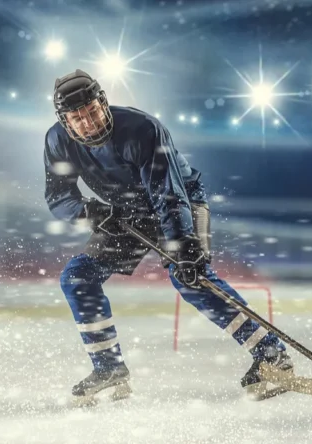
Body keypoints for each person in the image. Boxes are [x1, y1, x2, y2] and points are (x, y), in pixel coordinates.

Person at [44, 69, 294, 406]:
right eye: (78, 118)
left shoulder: (141, 129)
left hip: (181, 203)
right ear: (65, 122)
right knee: (77, 278)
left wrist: (185, 244)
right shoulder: (56, 141)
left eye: (92, 112)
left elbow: (168, 194)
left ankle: (272, 355)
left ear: (103, 102)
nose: (88, 123)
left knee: (191, 279)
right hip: (125, 215)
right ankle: (109, 368)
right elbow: (59, 196)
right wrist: (91, 212)